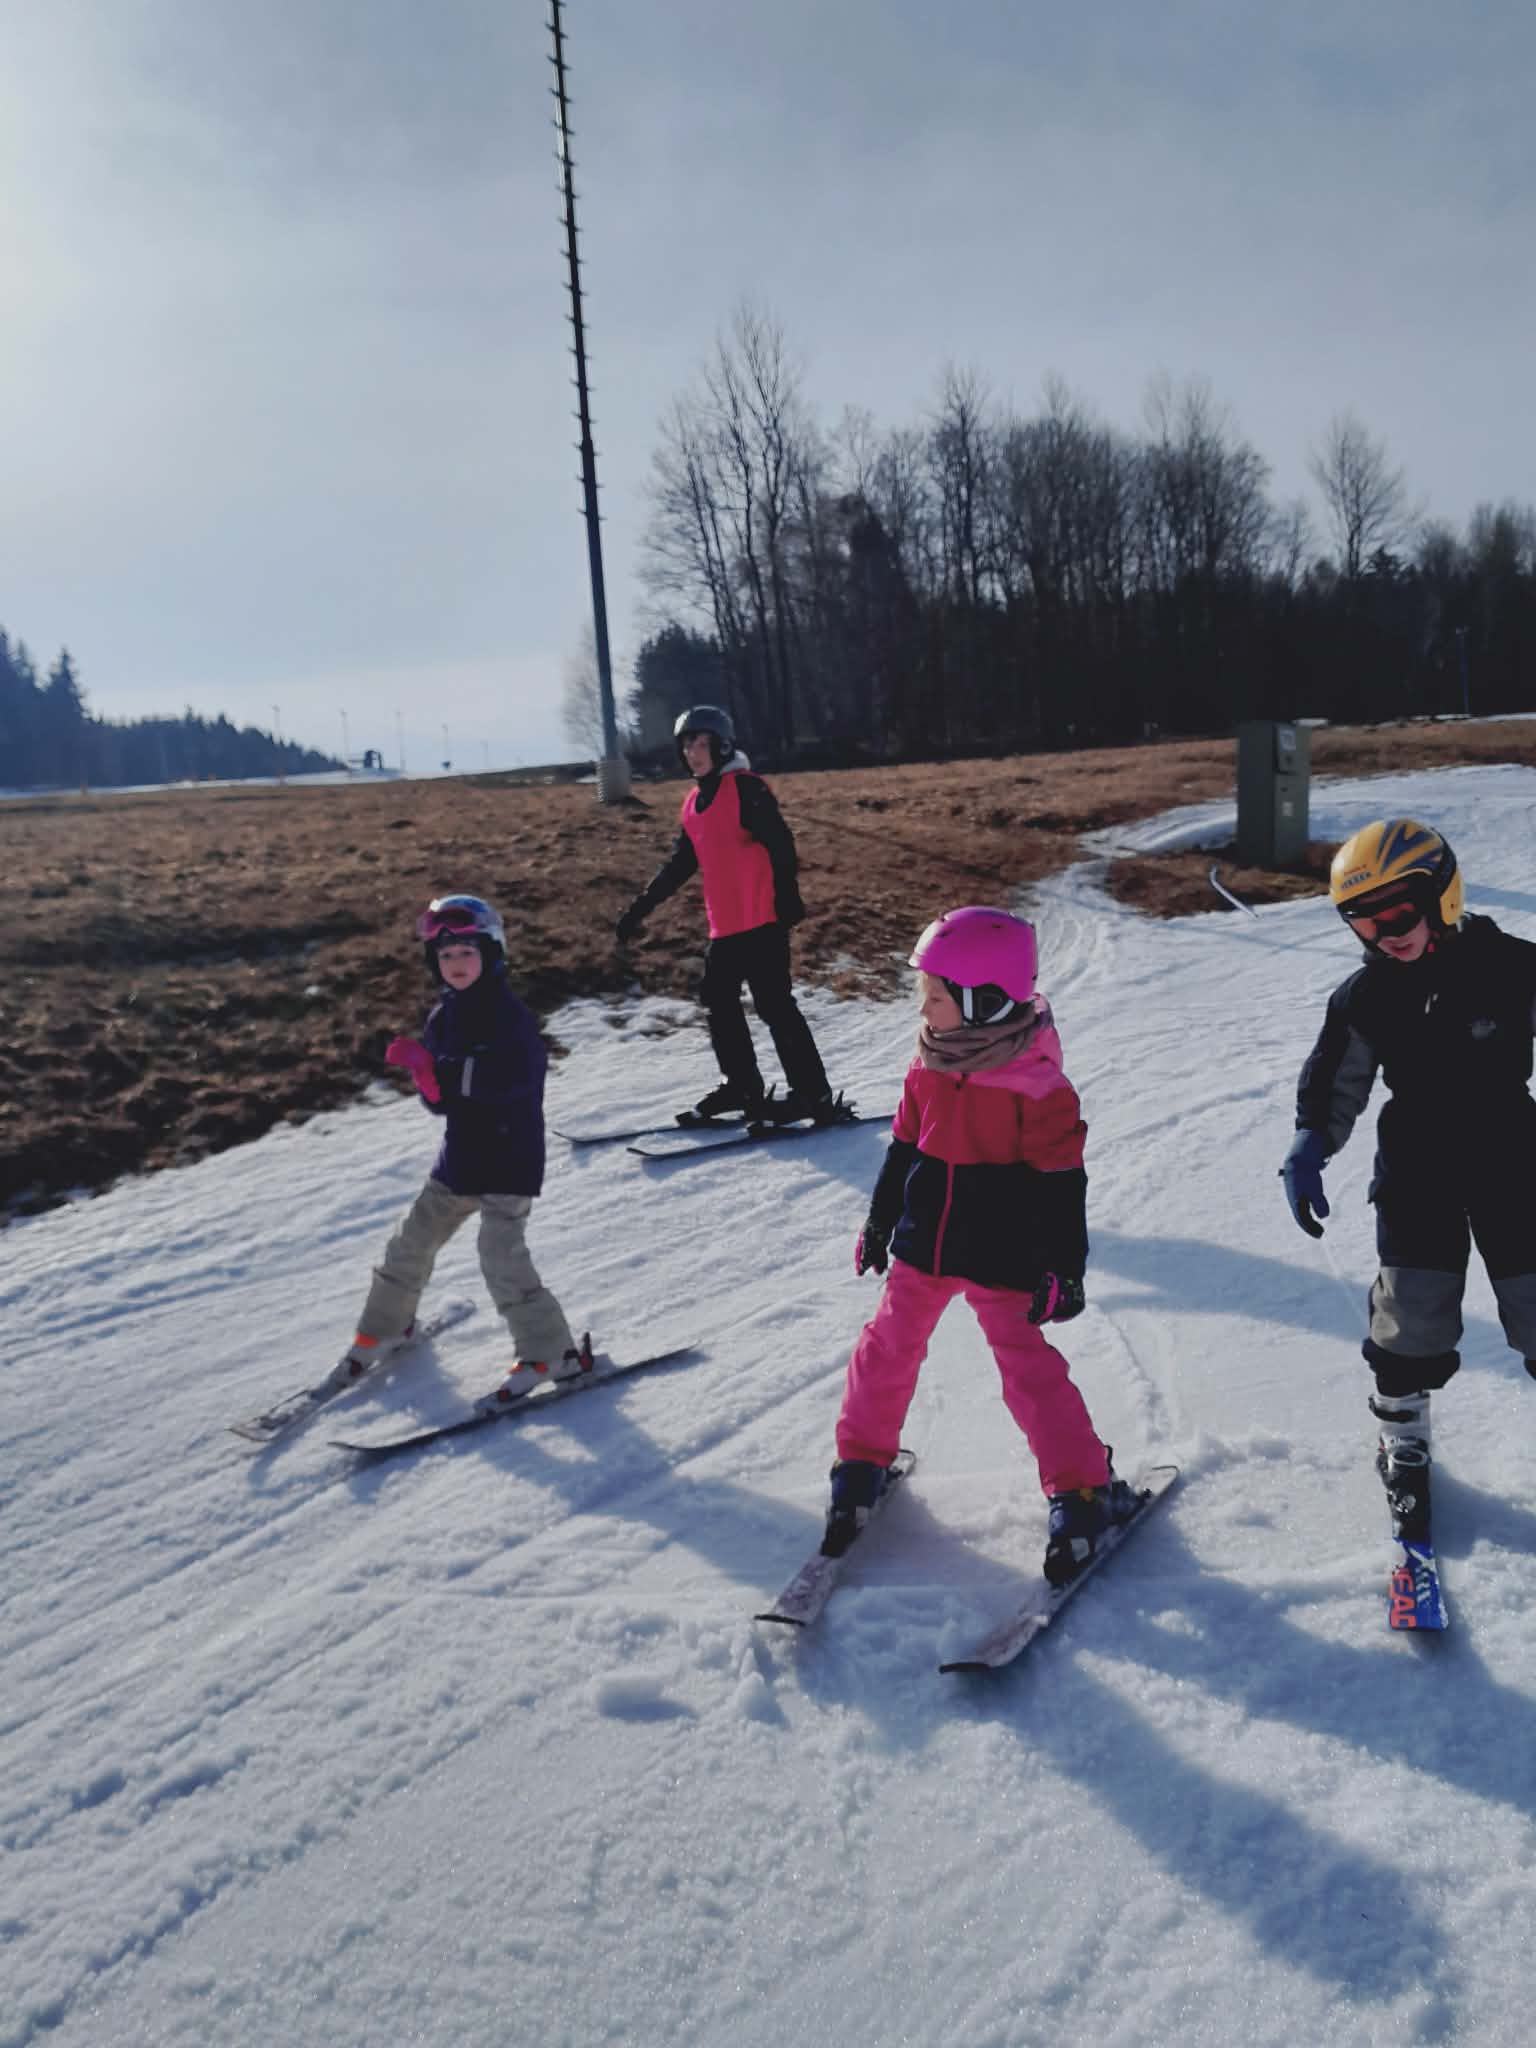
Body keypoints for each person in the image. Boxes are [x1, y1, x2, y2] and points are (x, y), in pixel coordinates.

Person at [823, 905, 1139, 1584]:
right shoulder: (929, 1064)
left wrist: (1065, 1268)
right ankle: (860, 1467)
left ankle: (1081, 1493)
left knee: (1027, 1372)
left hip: (1003, 1255)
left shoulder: (1039, 1089)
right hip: (923, 1247)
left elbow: (1062, 1186)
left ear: (984, 1001)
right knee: (886, 1349)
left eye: (935, 996)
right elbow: (903, 1148)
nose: (923, 1008)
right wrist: (879, 1223)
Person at [1280, 818, 1536, 1539]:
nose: (1383, 933)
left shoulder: (1515, 968)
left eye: (1397, 913)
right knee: (1411, 1314)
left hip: (1516, 1159)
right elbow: (1336, 1079)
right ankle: (1403, 1436)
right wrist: (1310, 1143)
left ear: (1443, 895)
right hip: (1418, 1168)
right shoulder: (1365, 997)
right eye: (1363, 920)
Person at [333, 894, 588, 1404]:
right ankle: (386, 1327)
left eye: (467, 953)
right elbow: (443, 1103)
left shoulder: (509, 1016)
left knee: (500, 1256)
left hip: (510, 1156)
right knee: (410, 1243)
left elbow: (516, 1078)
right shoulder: (442, 1018)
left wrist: (443, 1071)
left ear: (490, 954)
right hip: (462, 1155)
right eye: (446, 955)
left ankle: (551, 1353)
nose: (456, 963)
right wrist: (426, 1079)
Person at [615, 705, 839, 1128]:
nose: (693, 753)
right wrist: (640, 908)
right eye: (687, 745)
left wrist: (788, 895)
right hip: (726, 927)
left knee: (774, 1006)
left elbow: (781, 843)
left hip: (763, 919)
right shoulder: (693, 804)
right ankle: (742, 1087)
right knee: (718, 1001)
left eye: (702, 744)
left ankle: (813, 1094)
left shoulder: (746, 789)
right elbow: (680, 864)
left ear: (722, 746)